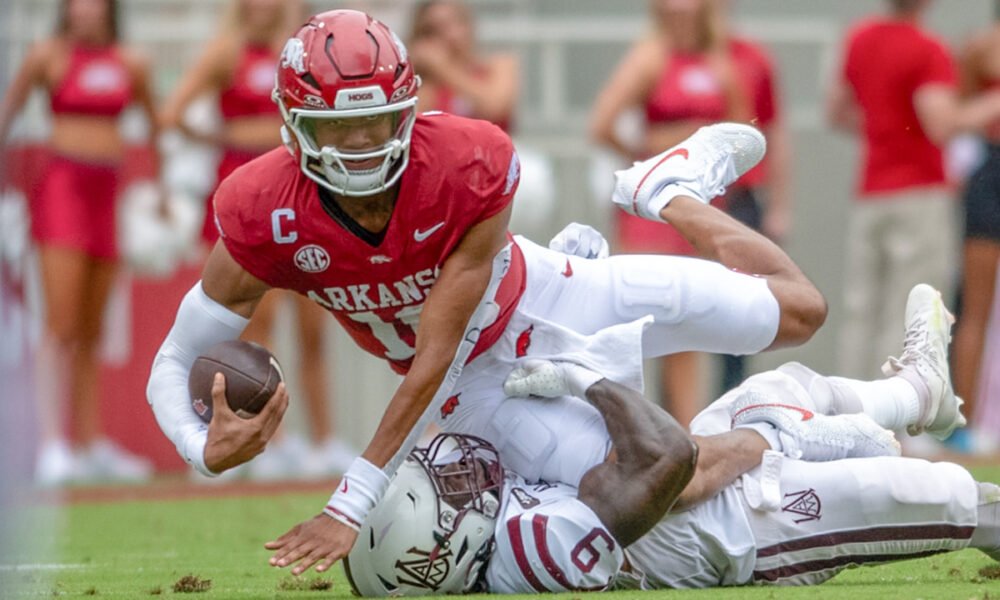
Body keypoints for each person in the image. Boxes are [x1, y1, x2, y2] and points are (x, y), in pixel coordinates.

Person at [147, 9, 827, 577]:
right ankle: (793, 430)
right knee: (661, 476)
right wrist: (196, 447)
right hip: (482, 384)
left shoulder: (464, 163)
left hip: (552, 291)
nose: (358, 147)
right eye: (336, 129)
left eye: (376, 123)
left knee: (799, 310)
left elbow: (435, 347)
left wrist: (348, 504)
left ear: (407, 112)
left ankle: (666, 192)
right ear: (294, 124)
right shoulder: (264, 209)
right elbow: (174, 361)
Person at [344, 285, 991, 594]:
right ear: (441, 557)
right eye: (450, 496)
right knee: (940, 494)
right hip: (743, 527)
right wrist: (582, 376)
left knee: (786, 387)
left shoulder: (484, 536)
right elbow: (672, 467)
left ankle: (916, 394)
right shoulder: (532, 552)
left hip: (696, 472)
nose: (460, 477)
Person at [160, 0, 354, 480]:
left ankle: (324, 440)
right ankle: (276, 439)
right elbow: (174, 112)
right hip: (249, 194)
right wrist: (227, 137)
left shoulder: (299, 52)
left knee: (314, 326)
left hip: (302, 191)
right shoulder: (226, 54)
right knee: (259, 325)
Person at [0, 0, 158, 485]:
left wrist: (164, 193)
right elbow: (8, 115)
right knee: (60, 323)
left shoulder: (131, 62)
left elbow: (156, 127)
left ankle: (90, 445)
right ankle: (52, 444)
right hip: (63, 192)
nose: (84, 8)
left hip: (106, 196)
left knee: (94, 327)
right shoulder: (48, 56)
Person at [590, 0, 751, 424]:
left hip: (699, 212)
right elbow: (602, 122)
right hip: (654, 216)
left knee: (689, 324)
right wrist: (651, 156)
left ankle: (685, 432)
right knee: (641, 322)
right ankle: (631, 430)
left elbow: (740, 125)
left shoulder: (719, 61)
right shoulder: (651, 57)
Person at [827, 0, 1000, 382]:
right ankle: (894, 412)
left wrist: (885, 133)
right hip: (919, 192)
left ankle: (853, 407)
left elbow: (837, 111)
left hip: (871, 189)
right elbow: (940, 123)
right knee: (910, 307)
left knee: (860, 308)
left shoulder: (860, 38)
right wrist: (991, 103)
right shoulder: (928, 48)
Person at [952, 20, 1000, 451]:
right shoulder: (981, 46)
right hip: (992, 175)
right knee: (977, 306)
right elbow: (958, 115)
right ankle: (963, 423)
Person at [408, 0, 518, 132]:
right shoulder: (427, 86)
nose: (446, 35)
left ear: (468, 25)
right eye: (433, 30)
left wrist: (442, 68)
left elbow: (495, 108)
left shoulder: (499, 65)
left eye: (451, 24)